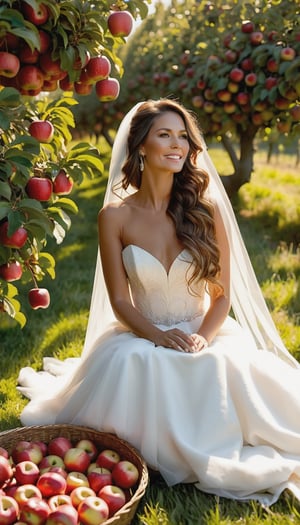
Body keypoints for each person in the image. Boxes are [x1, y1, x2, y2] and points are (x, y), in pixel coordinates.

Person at [18, 99, 300, 506]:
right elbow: (119, 299)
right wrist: (158, 336)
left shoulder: (207, 209)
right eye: (164, 134)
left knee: (219, 363)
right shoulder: (114, 216)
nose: (178, 144)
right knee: (138, 361)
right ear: (141, 147)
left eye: (183, 136)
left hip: (205, 330)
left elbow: (222, 298)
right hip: (141, 330)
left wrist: (201, 338)